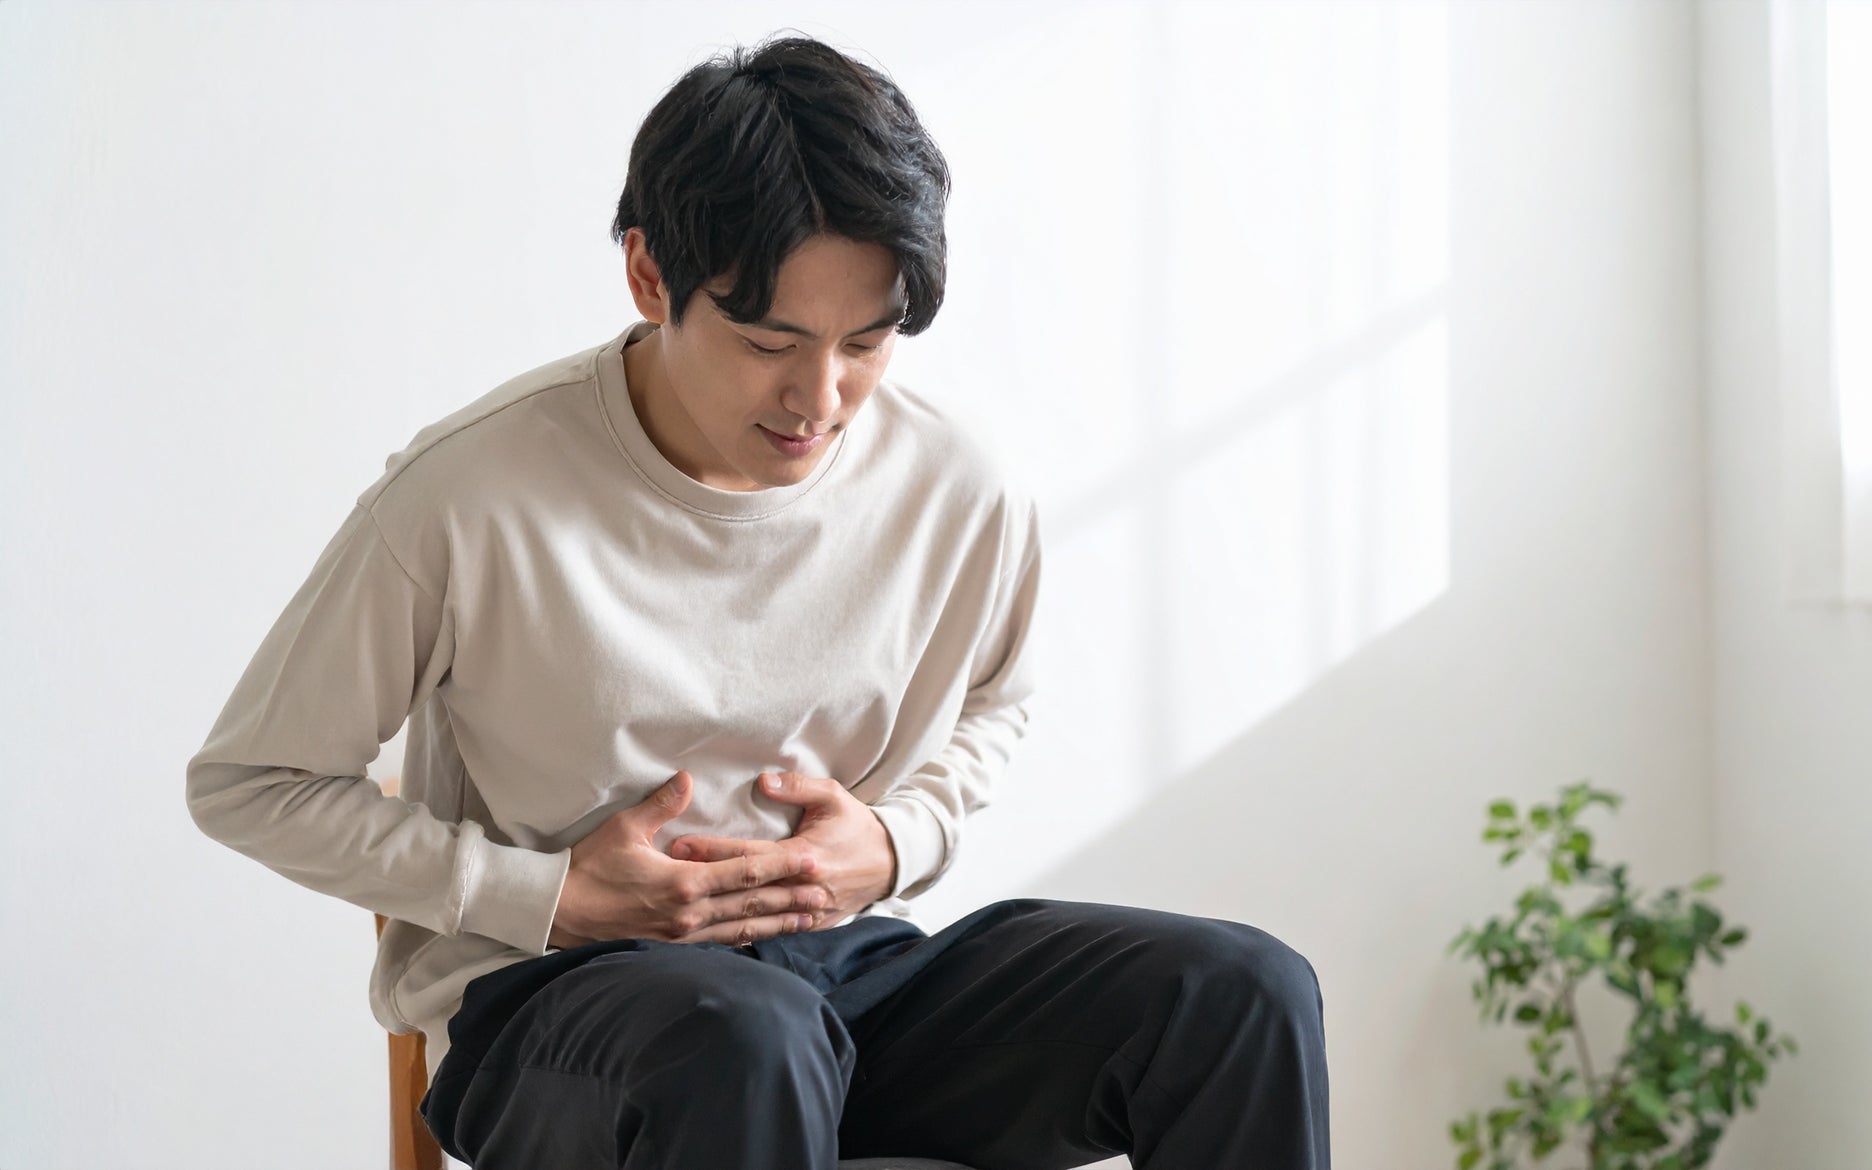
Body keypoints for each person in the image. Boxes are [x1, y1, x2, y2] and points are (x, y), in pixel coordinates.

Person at [188, 32, 1330, 1170]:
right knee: (740, 1041)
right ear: (649, 276)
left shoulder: (951, 482)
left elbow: (997, 701)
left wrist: (892, 844)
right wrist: (549, 895)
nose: (819, 398)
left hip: (840, 980)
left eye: (865, 343)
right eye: (766, 340)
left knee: (1236, 993)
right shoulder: (468, 494)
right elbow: (252, 781)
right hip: (551, 1008)